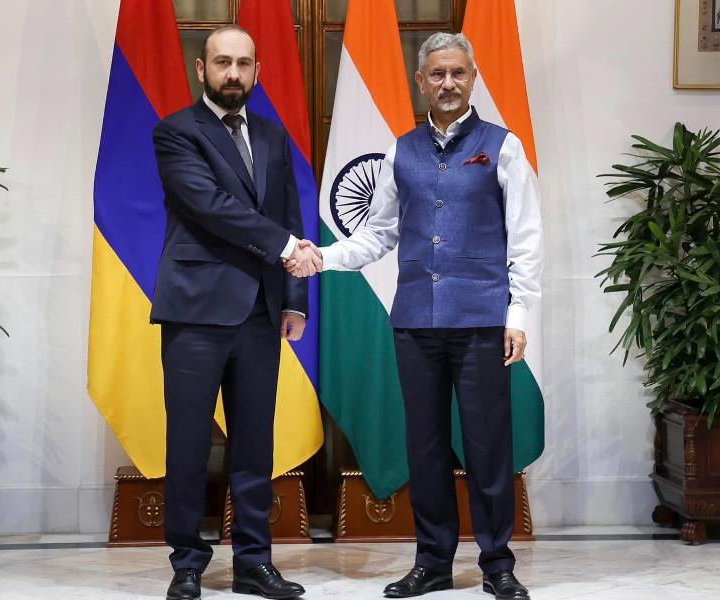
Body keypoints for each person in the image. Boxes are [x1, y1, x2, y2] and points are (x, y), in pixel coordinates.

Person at [290, 32, 542, 600]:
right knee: (424, 449)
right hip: (415, 324)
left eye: (458, 73)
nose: (448, 83)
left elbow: (526, 239)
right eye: (437, 74)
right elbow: (378, 233)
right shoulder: (400, 151)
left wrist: (518, 313)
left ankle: (498, 564)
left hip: (482, 322)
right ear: (421, 81)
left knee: (487, 447)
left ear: (472, 78)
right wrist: (323, 257)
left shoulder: (502, 147)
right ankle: (432, 562)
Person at [151, 24, 319, 600]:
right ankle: (187, 563)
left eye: (244, 64)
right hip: (196, 311)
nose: (233, 73)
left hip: (260, 313)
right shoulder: (177, 131)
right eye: (222, 62)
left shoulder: (271, 135)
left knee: (254, 444)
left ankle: (253, 561)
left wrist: (294, 298)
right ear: (201, 69)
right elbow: (210, 205)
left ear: (256, 71)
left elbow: (290, 214)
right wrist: (285, 246)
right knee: (189, 443)